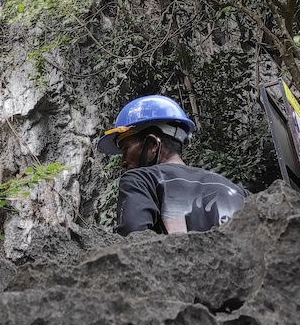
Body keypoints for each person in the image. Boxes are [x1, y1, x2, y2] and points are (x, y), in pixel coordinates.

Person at [98, 95, 248, 236]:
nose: (123, 161)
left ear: (152, 145)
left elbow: (131, 242)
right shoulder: (239, 192)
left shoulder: (141, 180)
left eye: (125, 148)